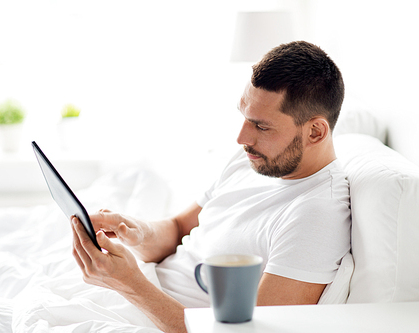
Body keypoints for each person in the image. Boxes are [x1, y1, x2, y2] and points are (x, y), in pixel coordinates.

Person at [70, 41, 350, 333]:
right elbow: (181, 229)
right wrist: (138, 234)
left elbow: (252, 332)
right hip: (136, 296)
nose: (242, 137)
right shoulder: (253, 161)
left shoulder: (316, 215)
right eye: (244, 116)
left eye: (261, 126)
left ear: (315, 132)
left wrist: (129, 284)